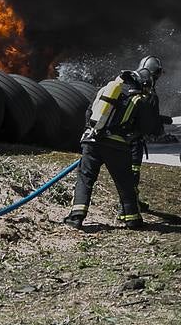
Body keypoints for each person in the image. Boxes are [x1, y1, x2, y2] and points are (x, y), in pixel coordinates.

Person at [64, 55, 165, 229]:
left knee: (85, 179)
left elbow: (90, 112)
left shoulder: (110, 89)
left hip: (92, 141)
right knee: (125, 182)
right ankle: (132, 219)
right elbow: (148, 128)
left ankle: (76, 218)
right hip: (116, 145)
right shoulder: (139, 99)